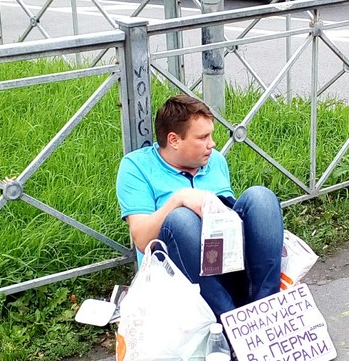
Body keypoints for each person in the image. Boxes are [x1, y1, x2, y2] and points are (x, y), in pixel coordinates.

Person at [116, 94, 284, 318]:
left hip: (227, 264)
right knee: (181, 219)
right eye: (203, 137)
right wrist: (179, 198)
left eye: (211, 135)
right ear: (174, 140)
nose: (212, 144)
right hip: (179, 281)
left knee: (261, 197)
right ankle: (228, 323)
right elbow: (142, 240)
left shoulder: (214, 160)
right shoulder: (136, 167)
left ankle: (266, 312)